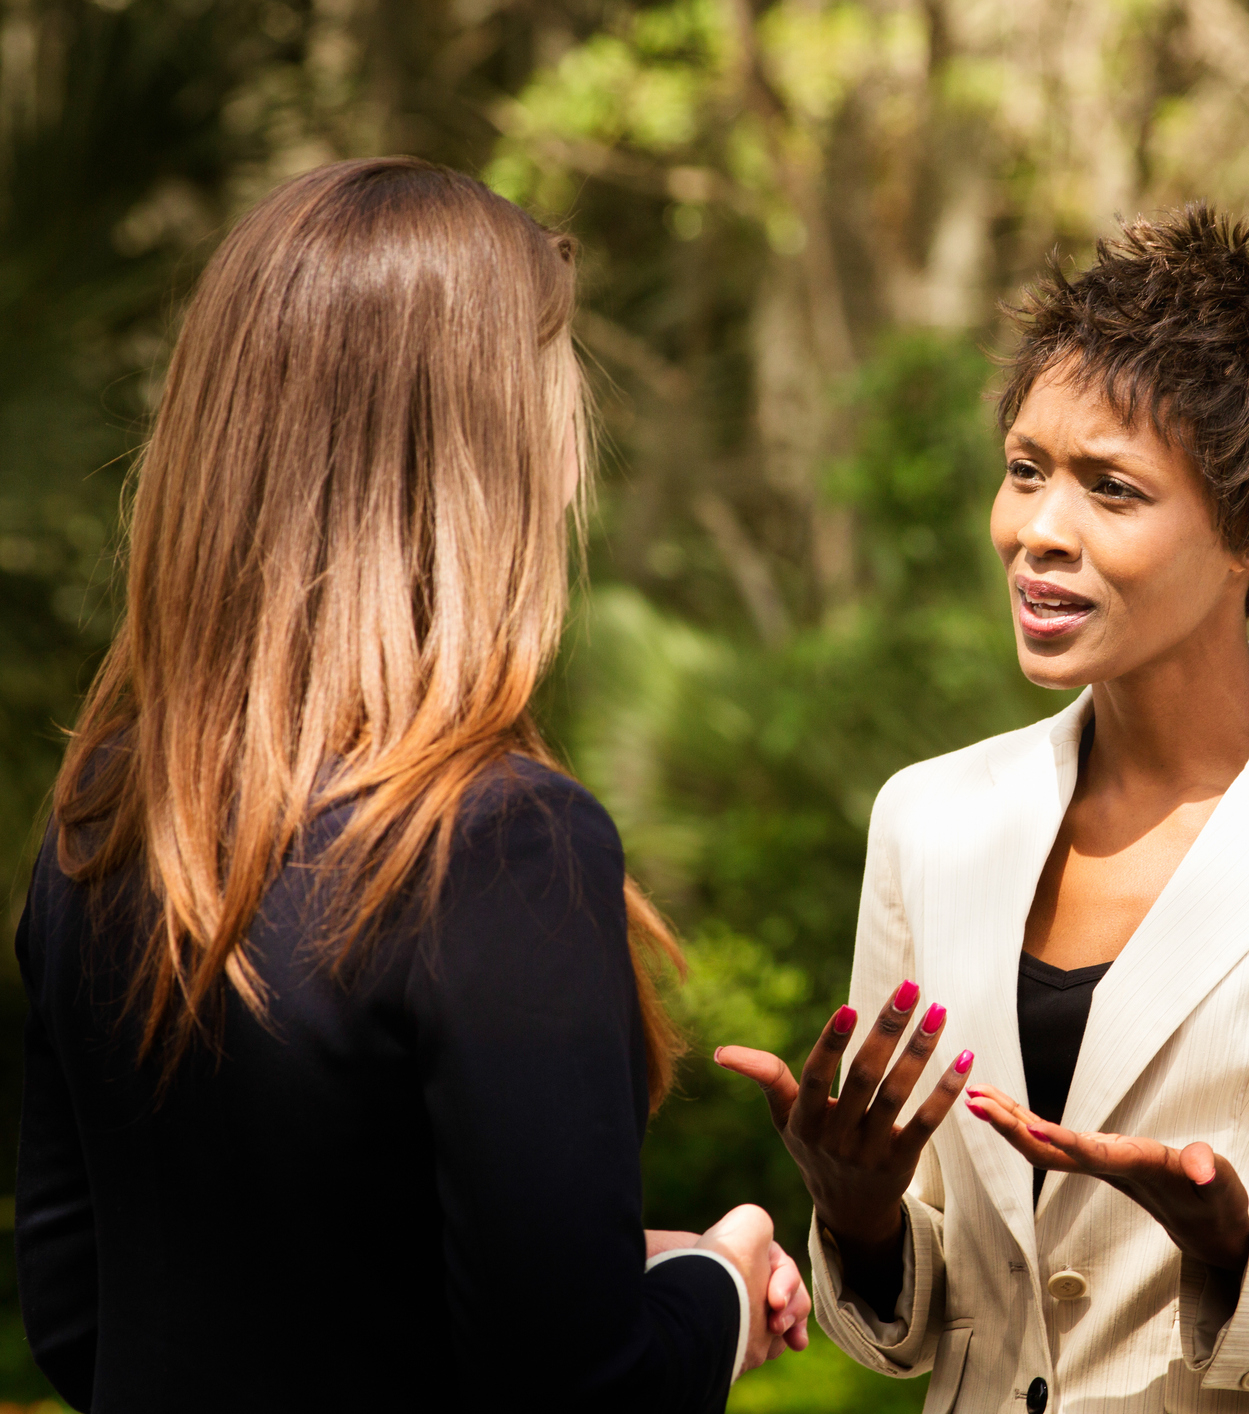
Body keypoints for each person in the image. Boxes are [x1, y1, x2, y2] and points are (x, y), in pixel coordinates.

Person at [716, 206, 1249, 1413]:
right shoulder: (930, 819)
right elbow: (925, 1325)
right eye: (1025, 470)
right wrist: (858, 1215)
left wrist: (1246, 1254)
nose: (1037, 534)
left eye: (1111, 489)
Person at [13, 156, 809, 1414]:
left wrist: (604, 1274)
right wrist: (718, 1274)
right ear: (485, 455)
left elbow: (86, 1310)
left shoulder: (107, 816)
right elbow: (580, 1396)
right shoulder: (498, 842)